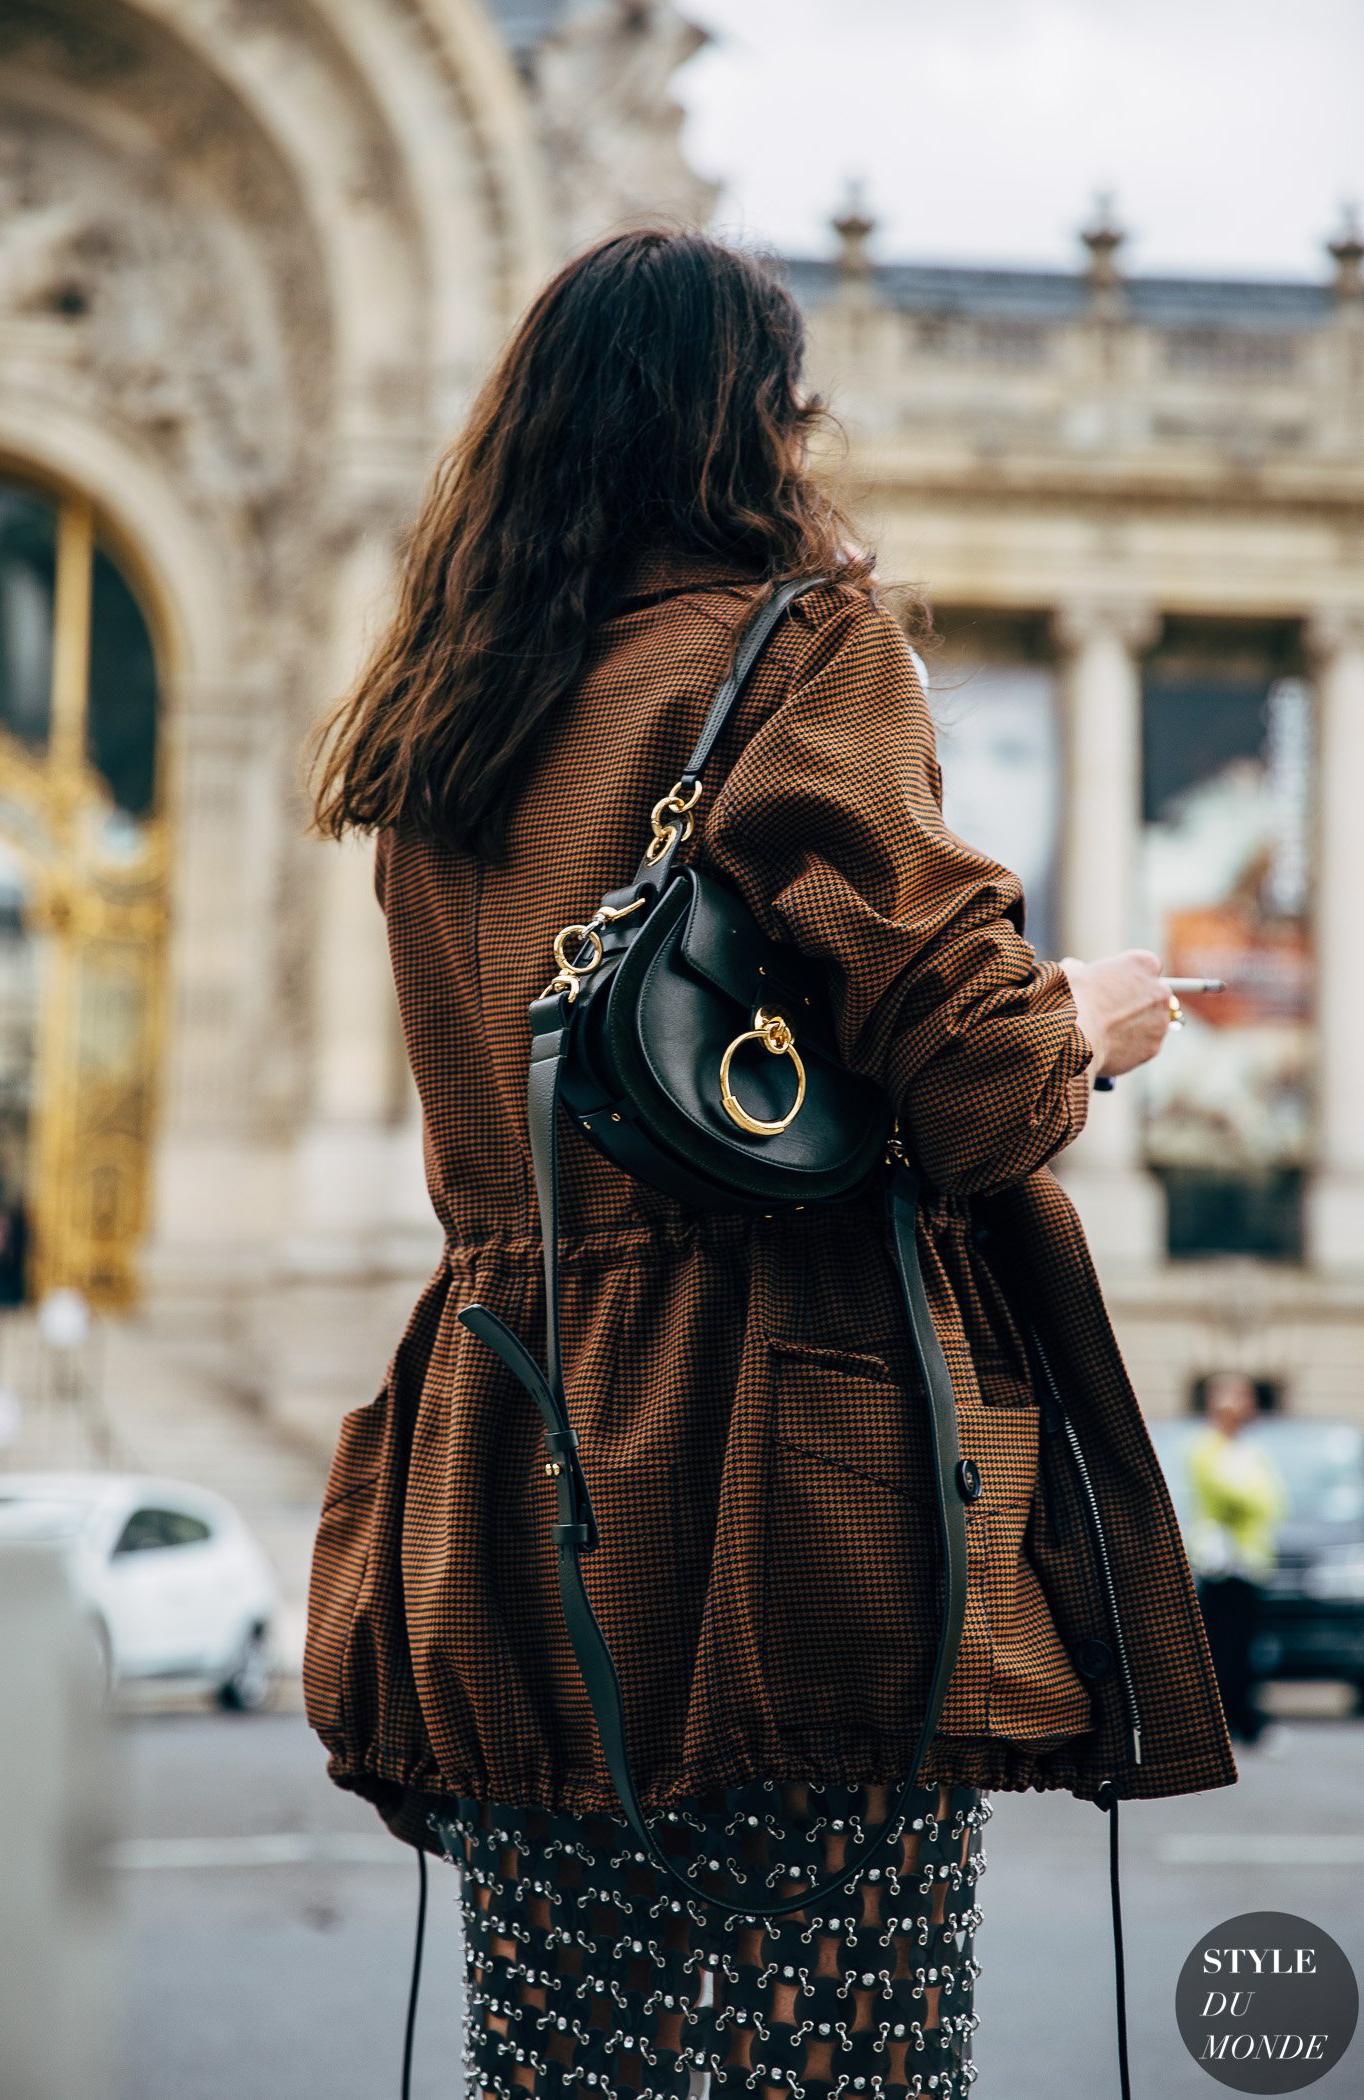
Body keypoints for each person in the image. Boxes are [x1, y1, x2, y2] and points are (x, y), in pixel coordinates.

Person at [304, 229, 1235, 2100]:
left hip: (504, 1462)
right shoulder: (794, 651)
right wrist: (1090, 1021)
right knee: (833, 2048)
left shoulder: (450, 718)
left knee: (570, 2051)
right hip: (778, 1466)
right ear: (751, 422)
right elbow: (975, 1091)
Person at [1187, 1373, 1287, 1747]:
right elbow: (1235, 1496)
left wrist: (1249, 1501)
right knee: (1220, 1647)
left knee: (1244, 1645)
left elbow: (1270, 1502)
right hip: (1220, 1563)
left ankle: (1242, 1719)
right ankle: (1222, 1722)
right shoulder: (1207, 1448)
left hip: (1250, 1561)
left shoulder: (1249, 1451)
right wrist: (1249, 1501)